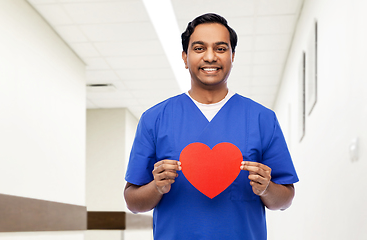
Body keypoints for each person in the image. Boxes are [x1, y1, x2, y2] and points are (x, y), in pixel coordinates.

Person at [124, 13, 298, 240]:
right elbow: (133, 201)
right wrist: (156, 187)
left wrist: (266, 188)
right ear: (185, 58)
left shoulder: (262, 118)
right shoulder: (155, 119)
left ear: (232, 56)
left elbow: (285, 199)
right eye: (198, 48)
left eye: (220, 48)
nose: (210, 57)